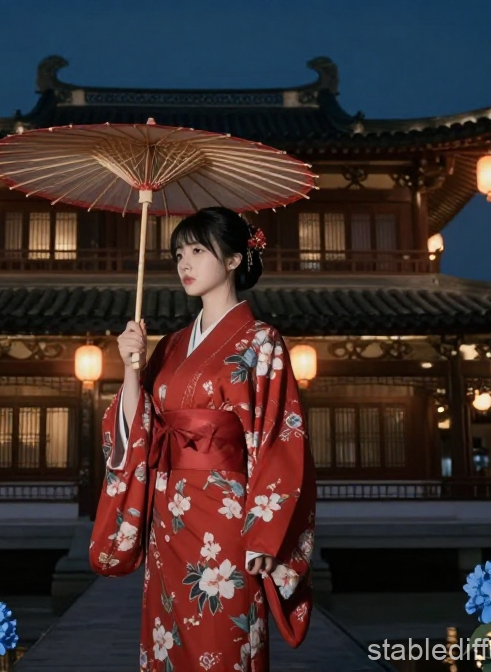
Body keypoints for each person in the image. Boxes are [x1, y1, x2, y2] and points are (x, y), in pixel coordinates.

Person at [89, 206, 317, 672]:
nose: (184, 264)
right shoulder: (170, 344)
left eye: (197, 250)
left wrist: (264, 536)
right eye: (178, 254)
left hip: (228, 520)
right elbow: (142, 432)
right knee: (167, 638)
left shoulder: (261, 341)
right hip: (168, 518)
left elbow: (280, 439)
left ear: (234, 259)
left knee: (225, 636)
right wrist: (132, 371)